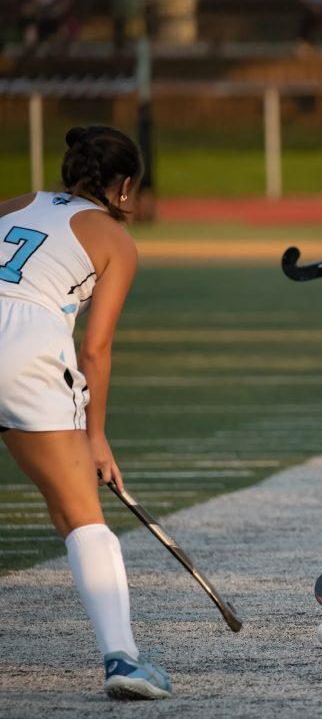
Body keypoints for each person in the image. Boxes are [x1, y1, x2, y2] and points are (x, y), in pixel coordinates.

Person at [0, 127, 172, 699]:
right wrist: (95, 436)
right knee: (79, 514)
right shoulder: (116, 240)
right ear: (123, 187)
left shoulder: (17, 202)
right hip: (27, 351)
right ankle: (122, 660)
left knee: (62, 506)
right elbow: (93, 349)